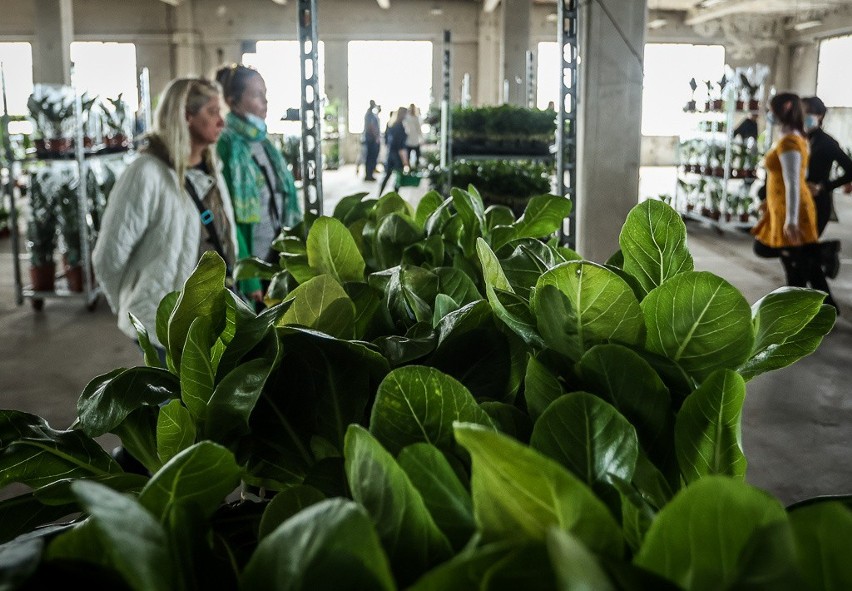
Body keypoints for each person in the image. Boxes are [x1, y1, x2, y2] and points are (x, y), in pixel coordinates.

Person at [93, 77, 238, 357]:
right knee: (173, 401)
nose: (221, 121)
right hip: (164, 328)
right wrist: (130, 306)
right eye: (212, 112)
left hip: (209, 319)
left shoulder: (211, 167)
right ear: (186, 116)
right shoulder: (146, 173)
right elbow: (107, 256)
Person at [215, 64, 301, 309]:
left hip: (277, 252)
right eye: (256, 95)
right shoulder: (227, 146)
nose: (265, 102)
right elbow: (229, 217)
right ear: (233, 101)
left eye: (265, 94)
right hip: (253, 258)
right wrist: (248, 275)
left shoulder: (263, 143)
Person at [751, 92, 837, 311]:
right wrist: (770, 202)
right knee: (797, 260)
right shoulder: (794, 137)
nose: (769, 114)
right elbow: (796, 176)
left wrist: (791, 220)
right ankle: (823, 301)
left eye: (771, 109)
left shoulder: (791, 141)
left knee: (792, 259)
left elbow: (792, 182)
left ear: (785, 108)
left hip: (793, 210)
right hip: (782, 207)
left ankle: (821, 257)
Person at [802, 96, 852, 236]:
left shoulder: (827, 143)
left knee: (804, 250)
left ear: (820, 115)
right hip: (797, 200)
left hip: (817, 203)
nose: (803, 116)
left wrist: (823, 186)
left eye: (808, 112)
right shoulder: (798, 139)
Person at [377, 107, 410, 197]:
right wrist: (405, 161)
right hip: (397, 156)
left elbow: (387, 141)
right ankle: (395, 197)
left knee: (387, 176)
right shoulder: (400, 127)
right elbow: (401, 146)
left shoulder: (391, 125)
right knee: (398, 179)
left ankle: (379, 195)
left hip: (390, 154)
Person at [363, 99, 381, 181]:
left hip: (371, 139)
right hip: (371, 140)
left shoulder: (370, 114)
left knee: (371, 157)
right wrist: (376, 137)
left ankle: (370, 174)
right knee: (371, 157)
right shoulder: (370, 114)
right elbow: (371, 126)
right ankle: (368, 175)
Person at [403, 103, 423, 169]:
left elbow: (419, 129)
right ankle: (410, 168)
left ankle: (415, 168)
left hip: (414, 140)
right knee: (408, 156)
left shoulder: (415, 118)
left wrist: (421, 138)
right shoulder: (407, 118)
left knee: (417, 156)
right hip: (409, 140)